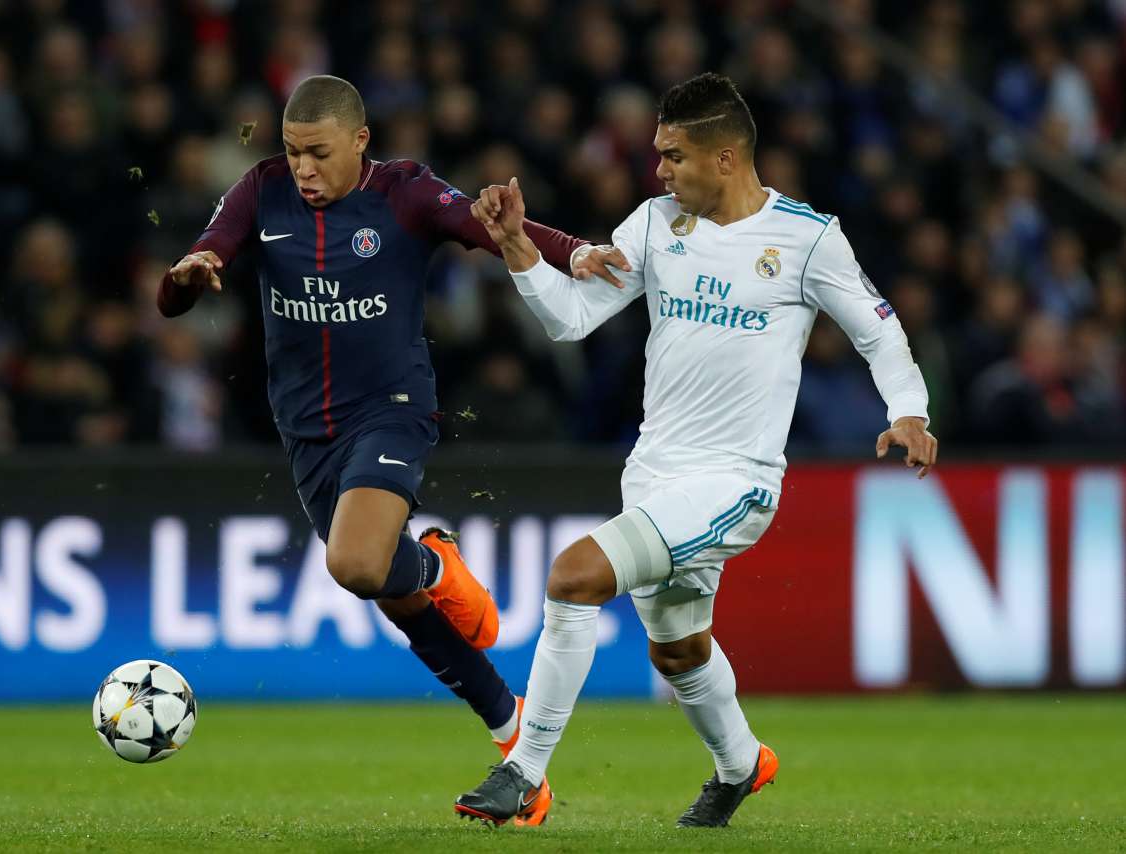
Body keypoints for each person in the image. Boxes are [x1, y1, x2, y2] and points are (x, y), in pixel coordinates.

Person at [455, 73, 938, 828]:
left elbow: (877, 329)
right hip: (653, 472)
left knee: (574, 576)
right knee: (678, 650)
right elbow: (571, 319)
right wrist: (517, 246)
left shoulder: (808, 238)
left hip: (735, 482)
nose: (659, 171)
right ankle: (742, 764)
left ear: (725, 158)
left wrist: (909, 411)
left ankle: (524, 771)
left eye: (673, 156)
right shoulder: (655, 224)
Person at [158, 75, 621, 827]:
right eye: (292, 151)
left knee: (358, 565)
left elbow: (487, 227)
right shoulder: (260, 190)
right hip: (304, 429)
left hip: (391, 411)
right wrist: (187, 276)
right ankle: (512, 737)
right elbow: (192, 273)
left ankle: (435, 563)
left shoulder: (404, 192)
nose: (303, 168)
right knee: (394, 597)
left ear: (360, 141)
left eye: (318, 152)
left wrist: (574, 253)